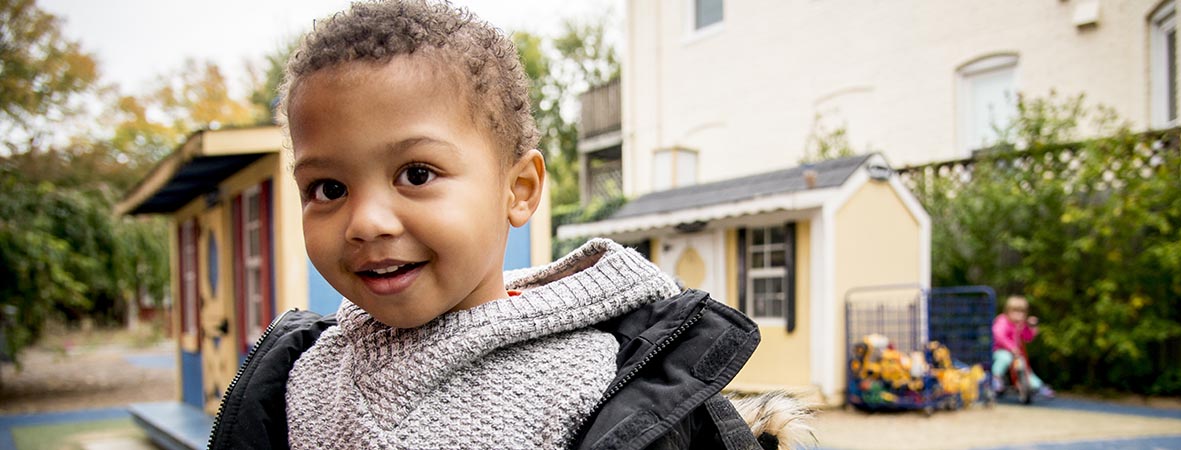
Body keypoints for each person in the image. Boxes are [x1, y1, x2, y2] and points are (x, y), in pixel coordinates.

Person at [206, 1, 807, 449]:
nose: (366, 222)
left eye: (415, 173)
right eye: (328, 188)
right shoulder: (302, 379)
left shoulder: (591, 386)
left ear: (517, 190)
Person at [991, 295, 1054, 398]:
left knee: (1024, 367)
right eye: (1015, 311)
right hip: (999, 351)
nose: (1018, 315)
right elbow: (998, 335)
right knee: (1005, 358)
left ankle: (1038, 386)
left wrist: (1031, 327)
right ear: (1008, 311)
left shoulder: (1021, 324)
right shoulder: (1003, 320)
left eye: (1021, 312)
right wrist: (1011, 347)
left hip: (1015, 354)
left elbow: (1027, 337)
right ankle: (996, 379)